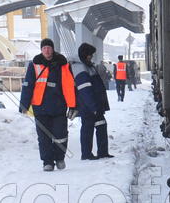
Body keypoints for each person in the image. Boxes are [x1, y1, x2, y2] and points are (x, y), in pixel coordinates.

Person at [19, 38, 76, 171]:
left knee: (61, 135)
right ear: (41, 49)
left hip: (59, 106)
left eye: (49, 47)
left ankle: (60, 158)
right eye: (44, 48)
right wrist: (24, 105)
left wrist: (73, 105)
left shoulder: (63, 64)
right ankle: (47, 162)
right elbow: (28, 85)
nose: (46, 50)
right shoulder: (35, 64)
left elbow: (70, 86)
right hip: (40, 107)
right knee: (43, 137)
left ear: (53, 49)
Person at [69, 42, 113, 160]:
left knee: (101, 125)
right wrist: (93, 107)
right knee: (87, 128)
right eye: (90, 55)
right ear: (85, 54)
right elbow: (85, 90)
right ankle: (86, 154)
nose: (91, 57)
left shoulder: (88, 65)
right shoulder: (80, 67)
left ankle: (103, 152)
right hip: (88, 106)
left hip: (95, 104)